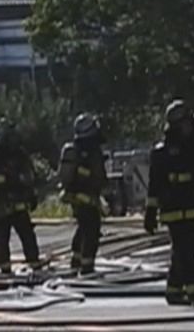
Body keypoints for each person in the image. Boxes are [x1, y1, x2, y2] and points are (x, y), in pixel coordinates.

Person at [147, 100, 194, 307]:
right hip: (173, 209)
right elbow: (154, 184)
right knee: (185, 250)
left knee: (182, 251)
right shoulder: (161, 153)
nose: (190, 126)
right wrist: (150, 210)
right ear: (177, 125)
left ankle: (173, 289)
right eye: (186, 122)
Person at [0, 129, 42, 275]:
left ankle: (34, 263)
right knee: (2, 237)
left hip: (15, 205)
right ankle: (5, 267)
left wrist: (31, 195)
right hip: (2, 205)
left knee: (25, 235)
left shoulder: (20, 156)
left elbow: (30, 178)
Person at [60, 113, 107, 276]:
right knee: (91, 230)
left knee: (83, 228)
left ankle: (77, 260)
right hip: (86, 198)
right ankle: (87, 266)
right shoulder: (88, 153)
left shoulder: (79, 150)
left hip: (78, 198)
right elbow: (96, 177)